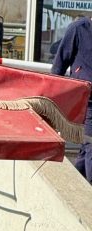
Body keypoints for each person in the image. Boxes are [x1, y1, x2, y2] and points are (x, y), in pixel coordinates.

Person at [52, 17, 92, 183]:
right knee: (91, 145)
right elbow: (59, 65)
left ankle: (76, 186)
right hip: (87, 101)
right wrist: (54, 99)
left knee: (86, 150)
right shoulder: (78, 29)